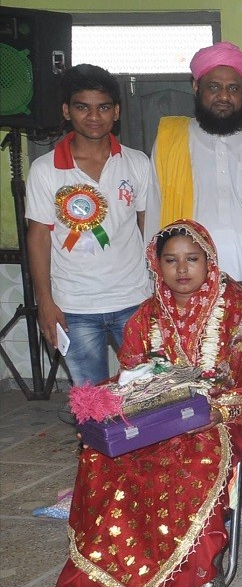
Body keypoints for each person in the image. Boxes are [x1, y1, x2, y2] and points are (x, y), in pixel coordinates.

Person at [53, 220, 242, 587]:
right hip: (153, 422)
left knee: (188, 465)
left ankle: (185, 585)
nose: (182, 270)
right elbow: (132, 376)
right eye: (171, 261)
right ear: (157, 267)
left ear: (209, 262)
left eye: (192, 260)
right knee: (106, 461)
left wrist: (218, 409)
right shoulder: (145, 316)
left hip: (218, 421)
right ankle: (108, 586)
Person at [26, 64, 157, 384]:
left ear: (116, 112)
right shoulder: (45, 170)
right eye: (83, 107)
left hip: (135, 301)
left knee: (147, 395)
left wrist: (158, 294)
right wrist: (44, 301)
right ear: (67, 111)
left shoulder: (137, 162)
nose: (94, 117)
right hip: (73, 307)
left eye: (103, 107)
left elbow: (149, 229)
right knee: (92, 400)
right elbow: (39, 237)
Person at [151, 41, 242, 285]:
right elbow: (155, 213)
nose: (224, 96)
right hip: (187, 277)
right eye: (214, 87)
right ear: (196, 86)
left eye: (233, 88)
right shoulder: (171, 142)